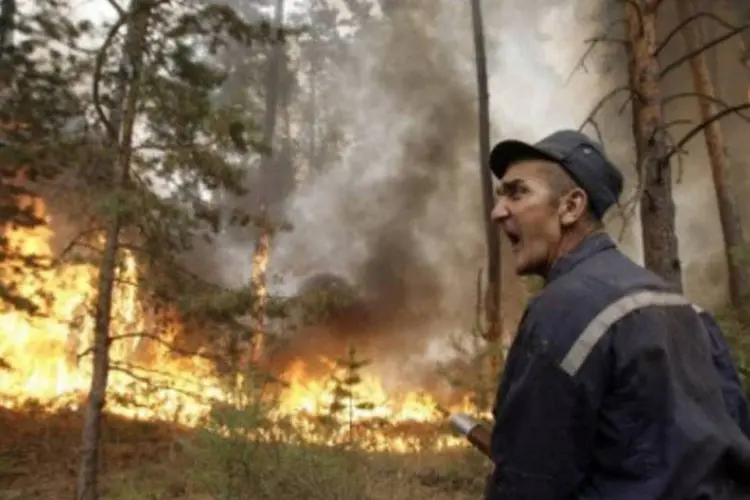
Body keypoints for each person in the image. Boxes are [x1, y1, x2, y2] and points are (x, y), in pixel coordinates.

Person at [484, 129, 750, 499]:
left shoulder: (563, 309)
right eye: (501, 195)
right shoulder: (682, 306)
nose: (498, 211)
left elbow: (530, 479)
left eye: (517, 192)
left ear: (571, 207)